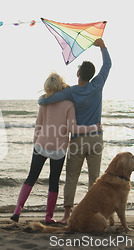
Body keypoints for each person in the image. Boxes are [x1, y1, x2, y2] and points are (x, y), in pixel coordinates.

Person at [11, 72, 101, 223]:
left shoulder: (44, 103)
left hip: (40, 145)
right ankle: (48, 217)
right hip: (58, 150)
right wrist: (93, 127)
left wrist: (36, 142)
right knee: (54, 182)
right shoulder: (69, 105)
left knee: (31, 178)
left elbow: (38, 125)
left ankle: (17, 210)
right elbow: (73, 129)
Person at [37, 38, 111, 224]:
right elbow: (108, 64)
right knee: (95, 179)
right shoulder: (97, 85)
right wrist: (102, 46)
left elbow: (50, 99)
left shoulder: (71, 92)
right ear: (92, 75)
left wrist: (41, 101)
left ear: (78, 73)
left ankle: (66, 216)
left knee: (72, 177)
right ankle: (96, 213)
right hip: (95, 139)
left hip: (78, 140)